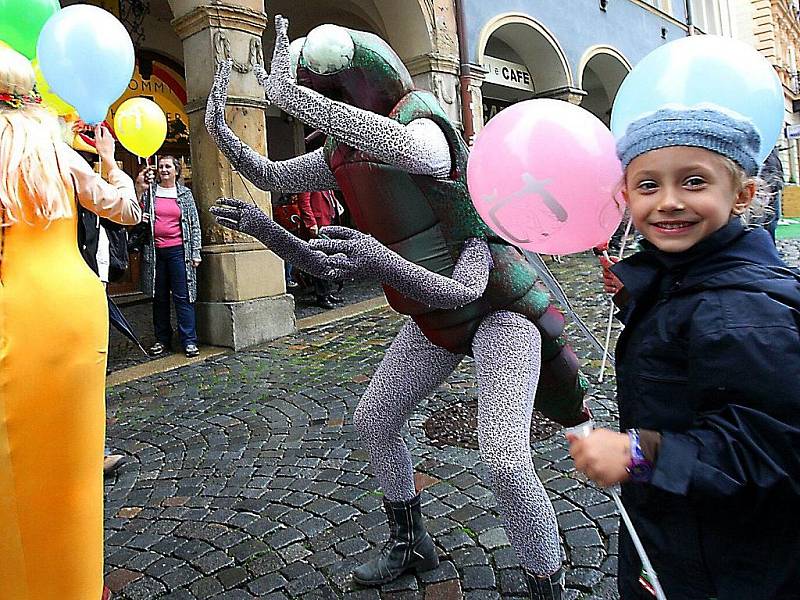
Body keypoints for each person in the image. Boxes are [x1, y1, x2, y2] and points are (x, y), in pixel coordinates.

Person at [207, 17, 590, 598]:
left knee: (504, 457)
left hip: (497, 312)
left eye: (330, 92)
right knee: (374, 418)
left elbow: (462, 285)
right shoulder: (342, 153)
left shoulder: (425, 127)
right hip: (433, 319)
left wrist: (297, 99)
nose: (324, 107)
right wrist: (226, 138)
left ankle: (546, 574)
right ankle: (411, 543)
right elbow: (271, 177)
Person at [569, 107, 800, 599]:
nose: (668, 202)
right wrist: (639, 293)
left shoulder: (739, 312)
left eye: (694, 182)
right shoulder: (686, 276)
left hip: (725, 561)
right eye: (648, 186)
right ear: (626, 196)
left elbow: (772, 449)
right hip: (678, 533)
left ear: (743, 195)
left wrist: (641, 453)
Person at [0, 46, 141, 600]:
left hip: (13, 304)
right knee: (75, 465)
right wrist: (112, 163)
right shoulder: (58, 154)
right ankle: (78, 585)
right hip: (72, 308)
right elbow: (126, 210)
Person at [136, 156, 202, 358]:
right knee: (159, 298)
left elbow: (194, 224)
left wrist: (196, 252)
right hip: (155, 253)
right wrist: (142, 209)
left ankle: (189, 341)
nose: (164, 170)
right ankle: (162, 339)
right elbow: (136, 210)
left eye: (168, 167)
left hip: (179, 252)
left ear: (176, 170)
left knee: (183, 297)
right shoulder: (151, 192)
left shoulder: (184, 194)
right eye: (161, 167)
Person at [298, 189, 342, 308]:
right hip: (317, 226)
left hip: (328, 223)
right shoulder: (308, 179)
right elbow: (304, 202)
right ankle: (322, 296)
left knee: (328, 261)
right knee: (319, 261)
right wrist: (311, 223)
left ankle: (327, 292)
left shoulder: (324, 181)